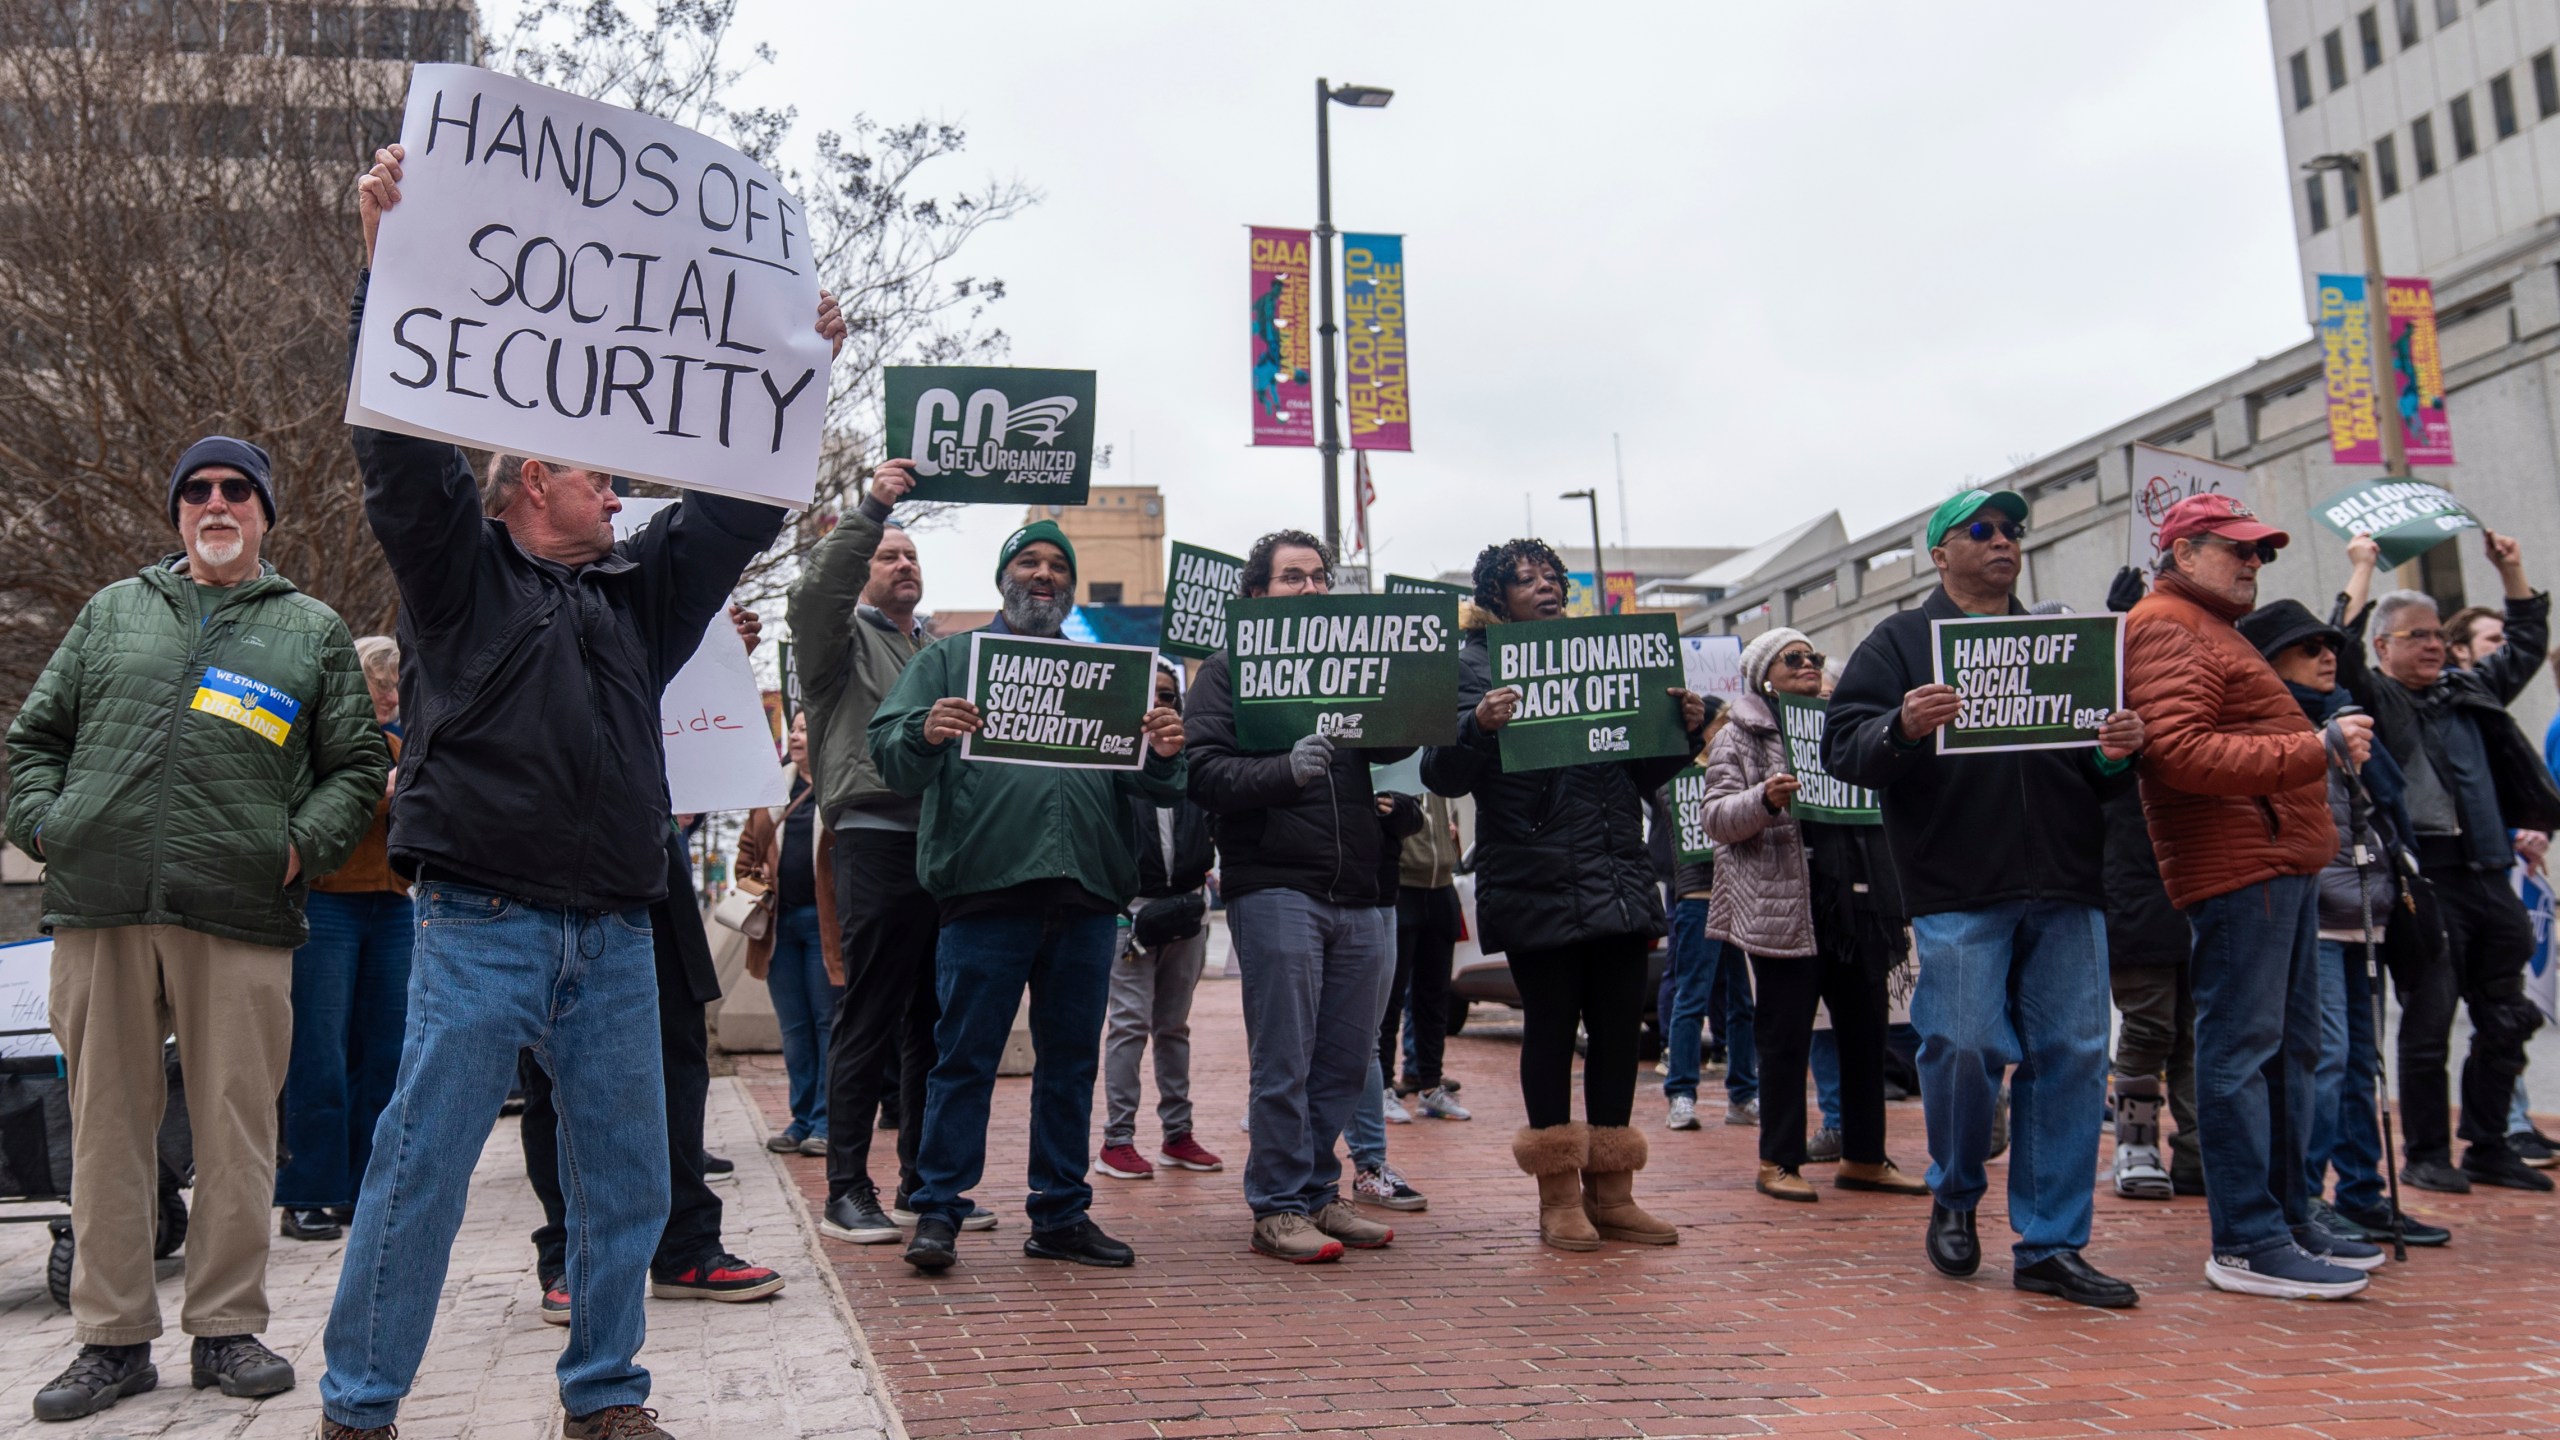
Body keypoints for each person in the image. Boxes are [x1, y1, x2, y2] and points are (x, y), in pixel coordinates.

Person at [317, 144, 839, 1440]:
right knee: (421, 1170)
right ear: (524, 485)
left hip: (613, 925)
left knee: (627, 1182)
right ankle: (360, 1405)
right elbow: (399, 448)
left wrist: (796, 369)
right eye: (595, 472)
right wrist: (389, 268)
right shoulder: (457, 576)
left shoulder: (640, 596)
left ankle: (605, 1394)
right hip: (479, 928)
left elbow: (734, 509)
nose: (619, 487)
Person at [7, 435, 389, 1421]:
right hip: (102, 908)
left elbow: (354, 765)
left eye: (236, 491)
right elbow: (34, 740)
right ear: (179, 513)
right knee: (106, 1134)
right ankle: (111, 1341)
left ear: (264, 512)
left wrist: (296, 849)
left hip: (241, 910)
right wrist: (50, 827)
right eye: (197, 492)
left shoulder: (310, 629)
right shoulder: (112, 613)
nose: (216, 504)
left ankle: (224, 1328)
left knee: (235, 1131)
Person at [1825, 489, 2146, 1309]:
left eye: (2012, 530)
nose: (2003, 540)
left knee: (2072, 1059)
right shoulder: (1901, 641)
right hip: (1958, 885)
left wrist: (2115, 754)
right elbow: (1845, 751)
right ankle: (1957, 1189)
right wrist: (1899, 726)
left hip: (2067, 884)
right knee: (1962, 1045)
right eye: (1982, 530)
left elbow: (2099, 770)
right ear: (1940, 553)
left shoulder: (2059, 641)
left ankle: (2050, 1243)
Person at [871, 520, 1189, 1272]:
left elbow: (1155, 782)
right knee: (964, 1057)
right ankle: (939, 1210)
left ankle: (1059, 1214)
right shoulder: (951, 658)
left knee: (1071, 1063)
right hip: (986, 892)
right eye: (1029, 562)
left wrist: (1166, 750)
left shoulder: (1108, 674)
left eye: (1057, 566)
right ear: (1003, 577)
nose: (1044, 574)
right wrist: (925, 728)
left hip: (1085, 896)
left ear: (1069, 586)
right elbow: (888, 754)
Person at [2124, 493, 2384, 1299]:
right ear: (2183, 553)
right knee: (2242, 1056)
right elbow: (2180, 753)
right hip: (2241, 866)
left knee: (2286, 1054)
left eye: (2262, 552)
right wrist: (2314, 747)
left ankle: (2287, 1218)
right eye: (2237, 550)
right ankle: (2247, 1237)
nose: (2254, 563)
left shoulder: (2208, 628)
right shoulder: (2166, 623)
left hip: (2274, 861)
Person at [1423, 538, 1707, 1252]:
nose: (1545, 588)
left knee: (1616, 1034)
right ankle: (1557, 1197)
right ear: (1496, 598)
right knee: (1550, 1031)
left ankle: (1613, 1194)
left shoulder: (1605, 656)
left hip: (1616, 872)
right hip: (1533, 878)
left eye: (1552, 577)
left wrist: (1684, 730)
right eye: (1525, 580)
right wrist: (1478, 725)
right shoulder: (1471, 667)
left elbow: (1647, 775)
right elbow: (1442, 771)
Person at [1184, 529, 1406, 1263]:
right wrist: (1286, 770)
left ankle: (1316, 1192)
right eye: (1292, 578)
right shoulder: (1225, 673)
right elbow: (1205, 774)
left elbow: (1394, 744)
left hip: (1360, 889)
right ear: (1257, 596)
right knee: (1286, 1059)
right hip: (1277, 883)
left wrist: (1411, 696)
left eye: (1319, 578)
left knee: (1345, 1060)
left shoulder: (1348, 667)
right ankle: (1277, 1204)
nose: (1310, 590)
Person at [787, 460, 976, 1244]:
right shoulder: (836, 645)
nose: (906, 565)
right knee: (868, 1012)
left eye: (913, 557)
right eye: (889, 556)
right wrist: (872, 508)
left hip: (940, 848)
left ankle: (921, 1185)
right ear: (862, 572)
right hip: (873, 837)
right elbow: (812, 594)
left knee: (930, 1022)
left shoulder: (936, 648)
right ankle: (846, 1188)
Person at [2348, 529, 2560, 1195]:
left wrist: (2512, 568)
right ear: (2384, 647)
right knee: (2430, 1018)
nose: (2435, 643)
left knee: (2507, 1014)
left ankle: (2489, 1144)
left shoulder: (2468, 691)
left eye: (2439, 632)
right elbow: (2339, 644)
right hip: (2425, 878)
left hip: (2489, 868)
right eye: (2417, 635)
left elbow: (2525, 642)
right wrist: (2360, 568)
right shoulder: (2377, 698)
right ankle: (2427, 1154)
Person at [2239, 584, 2452, 1249]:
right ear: (2272, 661)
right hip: (2316, 916)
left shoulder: (2350, 717)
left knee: (2363, 1064)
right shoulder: (2274, 730)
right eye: (2308, 648)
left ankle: (2363, 1194)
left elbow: (2388, 810)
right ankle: (2305, 1197)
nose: (2327, 656)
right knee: (2323, 1061)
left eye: (2330, 645)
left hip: (2370, 914)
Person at [1701, 627, 1929, 1204]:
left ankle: (1863, 1155)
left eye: (1814, 657)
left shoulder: (1840, 725)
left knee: (1865, 1032)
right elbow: (1715, 818)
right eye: (1793, 658)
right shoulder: (1741, 735)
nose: (1808, 665)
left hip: (1855, 901)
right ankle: (1779, 1159)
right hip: (1785, 907)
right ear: (1763, 675)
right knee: (1783, 1037)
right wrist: (1765, 800)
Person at [277, 634, 413, 1245]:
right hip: (326, 904)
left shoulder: (405, 742)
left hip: (390, 906)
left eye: (395, 686)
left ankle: (364, 1188)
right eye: (378, 684)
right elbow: (300, 812)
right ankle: (308, 1190)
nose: (388, 696)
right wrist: (374, 794)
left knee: (385, 1054)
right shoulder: (312, 742)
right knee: (319, 1053)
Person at [1095, 660, 1227, 1182]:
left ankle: (1178, 1134)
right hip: (1130, 915)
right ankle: (1117, 1140)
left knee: (1174, 1027)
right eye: (1149, 696)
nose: (1159, 706)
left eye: (1169, 697)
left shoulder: (1194, 761)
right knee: (1128, 1026)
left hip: (1188, 911)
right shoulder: (1111, 761)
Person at [2095, 569, 2202, 1203]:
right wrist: (2121, 619)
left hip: (2189, 886)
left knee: (2195, 1027)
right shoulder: (2107, 723)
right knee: (2150, 1025)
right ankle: (2135, 1142)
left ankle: (2194, 1149)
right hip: (2133, 890)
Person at [738, 712, 839, 1157]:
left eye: (804, 728)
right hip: (778, 928)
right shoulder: (771, 787)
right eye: (793, 729)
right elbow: (746, 851)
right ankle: (801, 1119)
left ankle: (826, 1121)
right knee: (795, 1028)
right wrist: (752, 877)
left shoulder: (840, 788)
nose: (796, 736)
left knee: (827, 1024)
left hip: (825, 928)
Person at [1386, 791, 1470, 1119]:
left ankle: (1431, 1085)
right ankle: (1383, 1088)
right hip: (1402, 885)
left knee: (1435, 997)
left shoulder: (1434, 753)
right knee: (1390, 999)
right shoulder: (1393, 756)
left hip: (1441, 885)